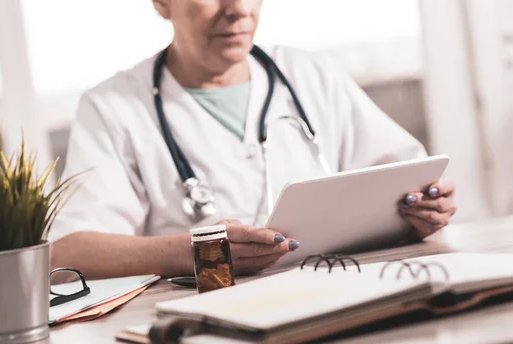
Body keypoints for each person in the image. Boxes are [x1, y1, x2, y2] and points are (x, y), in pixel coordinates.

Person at [49, 0, 457, 279]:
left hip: (340, 293)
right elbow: (70, 253)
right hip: (208, 317)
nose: (239, 10)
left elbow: (407, 181)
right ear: (160, 2)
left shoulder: (311, 75)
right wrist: (195, 252)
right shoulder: (112, 107)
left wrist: (421, 212)